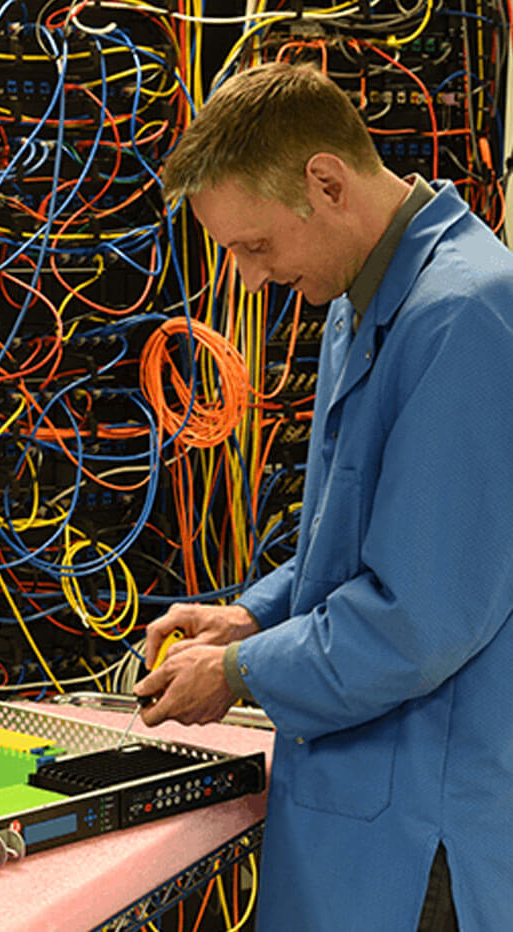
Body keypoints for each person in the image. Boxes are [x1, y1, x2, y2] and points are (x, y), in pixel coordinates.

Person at [135, 62, 513, 931]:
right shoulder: (363, 294)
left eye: (256, 247)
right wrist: (254, 616)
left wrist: (236, 673)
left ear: (327, 182)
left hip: (422, 841)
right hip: (357, 808)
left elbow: (419, 617)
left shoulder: (466, 316)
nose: (253, 279)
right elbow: (351, 538)